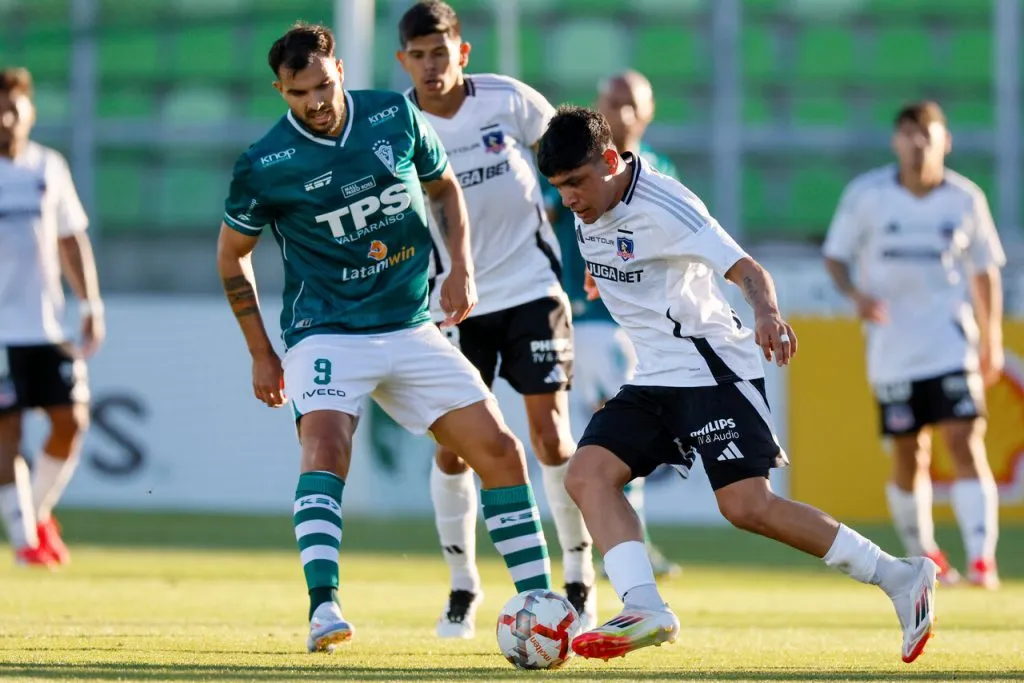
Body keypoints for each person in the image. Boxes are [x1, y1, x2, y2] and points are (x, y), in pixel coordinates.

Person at [537, 105, 938, 664]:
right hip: (655, 377)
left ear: (610, 161)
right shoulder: (591, 206)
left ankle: (900, 576)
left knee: (748, 506)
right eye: (558, 188)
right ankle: (644, 606)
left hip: (713, 371)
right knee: (588, 475)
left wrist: (767, 315)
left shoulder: (666, 204)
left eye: (576, 183)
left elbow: (748, 269)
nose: (570, 199)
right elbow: (619, 255)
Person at [216, 23, 553, 653]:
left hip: (410, 325)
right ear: (279, 90)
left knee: (502, 451)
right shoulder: (264, 164)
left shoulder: (393, 114)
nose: (314, 103)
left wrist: (461, 268)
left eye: (321, 86)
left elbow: (443, 184)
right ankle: (324, 609)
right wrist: (262, 352)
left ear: (339, 70)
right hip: (327, 333)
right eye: (297, 94)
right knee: (325, 447)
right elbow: (232, 256)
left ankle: (538, 600)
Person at [395, 0, 596, 637]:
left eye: (440, 51)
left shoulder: (508, 101)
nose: (431, 65)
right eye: (418, 55)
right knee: (456, 453)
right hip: (453, 303)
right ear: (404, 60)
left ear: (463, 51)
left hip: (532, 289)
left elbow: (574, 162)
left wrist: (593, 244)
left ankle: (578, 576)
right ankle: (463, 587)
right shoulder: (397, 124)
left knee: (550, 437)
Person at [823, 101, 1005, 590]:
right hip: (892, 350)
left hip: (950, 343)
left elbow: (985, 271)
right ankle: (926, 555)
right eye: (908, 132)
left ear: (946, 140)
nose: (918, 141)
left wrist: (992, 338)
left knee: (965, 441)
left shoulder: (965, 199)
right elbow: (835, 256)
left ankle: (982, 560)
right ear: (895, 141)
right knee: (909, 454)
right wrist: (857, 295)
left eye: (927, 132)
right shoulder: (868, 195)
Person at [546, 69, 683, 578]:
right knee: (621, 434)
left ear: (647, 112)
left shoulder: (661, 171)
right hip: (588, 318)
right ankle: (622, 549)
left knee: (613, 440)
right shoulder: (575, 165)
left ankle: (615, 546)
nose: (619, 113)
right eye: (610, 101)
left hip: (637, 324)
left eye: (629, 104)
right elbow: (545, 217)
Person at [0, 67, 103, 568]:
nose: (3, 119)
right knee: (6, 433)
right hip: (0, 332)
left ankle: (34, 515)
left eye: (12, 109)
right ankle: (24, 543)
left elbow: (70, 237)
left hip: (46, 324)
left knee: (72, 421)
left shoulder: (49, 167)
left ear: (29, 112)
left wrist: (90, 303)